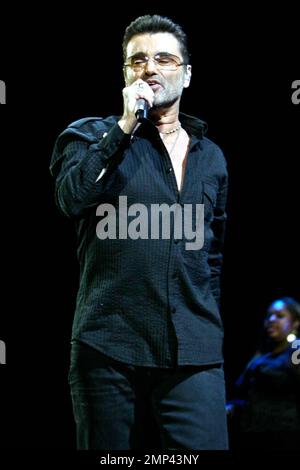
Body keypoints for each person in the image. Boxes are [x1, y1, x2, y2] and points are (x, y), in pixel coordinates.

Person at [50, 14, 229, 450]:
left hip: (193, 350)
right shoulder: (88, 135)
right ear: (125, 74)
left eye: (164, 59)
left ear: (186, 75)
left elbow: (213, 254)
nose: (149, 68)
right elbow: (72, 199)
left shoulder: (212, 157)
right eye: (137, 61)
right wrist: (125, 127)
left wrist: (206, 319)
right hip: (109, 345)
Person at [227, 297, 300, 449]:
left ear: (295, 323)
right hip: (252, 433)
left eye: (280, 316)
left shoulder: (296, 350)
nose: (272, 319)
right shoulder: (262, 354)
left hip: (284, 437)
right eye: (269, 315)